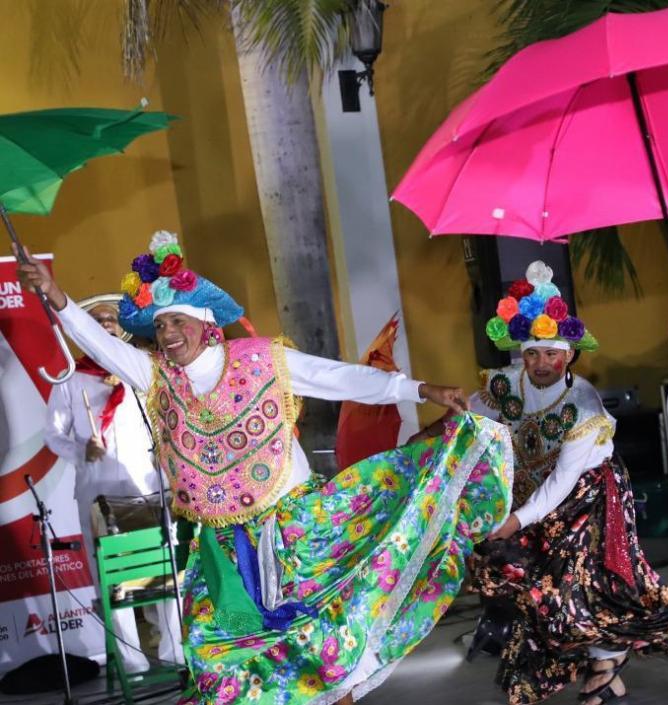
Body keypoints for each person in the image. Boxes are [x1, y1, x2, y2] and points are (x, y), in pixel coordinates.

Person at [16, 232, 512, 705]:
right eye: (160, 325)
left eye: (176, 322)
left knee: (323, 648)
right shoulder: (156, 377)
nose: (167, 334)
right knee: (220, 659)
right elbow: (104, 348)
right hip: (224, 551)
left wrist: (419, 390)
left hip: (297, 531)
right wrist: (57, 296)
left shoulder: (260, 359)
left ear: (206, 324)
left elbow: (337, 378)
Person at [446, 261, 668, 705]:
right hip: (532, 494)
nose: (542, 363)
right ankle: (602, 672)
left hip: (588, 495)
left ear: (571, 356)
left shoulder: (584, 405)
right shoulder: (505, 383)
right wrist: (435, 439)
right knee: (533, 577)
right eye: (533, 353)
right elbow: (466, 422)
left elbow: (563, 480)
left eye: (552, 354)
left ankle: (604, 667)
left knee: (582, 581)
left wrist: (515, 521)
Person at [44, 293, 181, 674]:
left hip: (146, 485)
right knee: (111, 576)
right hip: (97, 489)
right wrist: (78, 450)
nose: (105, 323)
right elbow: (52, 435)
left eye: (111, 319)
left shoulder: (142, 372)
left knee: (165, 569)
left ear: (121, 328)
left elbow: (166, 425)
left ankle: (174, 652)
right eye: (97, 319)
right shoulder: (71, 378)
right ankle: (133, 661)